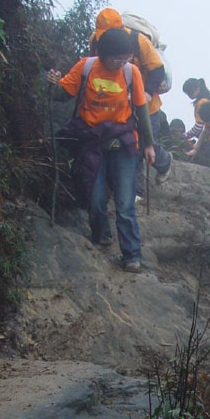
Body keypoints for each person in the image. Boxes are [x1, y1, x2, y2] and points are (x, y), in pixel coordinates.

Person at [47, 28, 155, 272]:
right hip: (91, 141)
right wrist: (52, 82)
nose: (121, 63)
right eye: (117, 59)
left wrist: (148, 144)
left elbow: (141, 109)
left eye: (126, 58)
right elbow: (62, 95)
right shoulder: (86, 67)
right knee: (95, 199)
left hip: (123, 143)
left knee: (125, 203)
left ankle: (132, 255)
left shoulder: (131, 72)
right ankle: (101, 236)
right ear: (103, 55)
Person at [90, 8, 172, 186]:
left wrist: (148, 93)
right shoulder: (95, 41)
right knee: (130, 145)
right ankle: (136, 190)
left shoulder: (138, 41)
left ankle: (165, 162)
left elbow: (158, 70)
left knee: (145, 143)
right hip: (117, 105)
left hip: (147, 105)